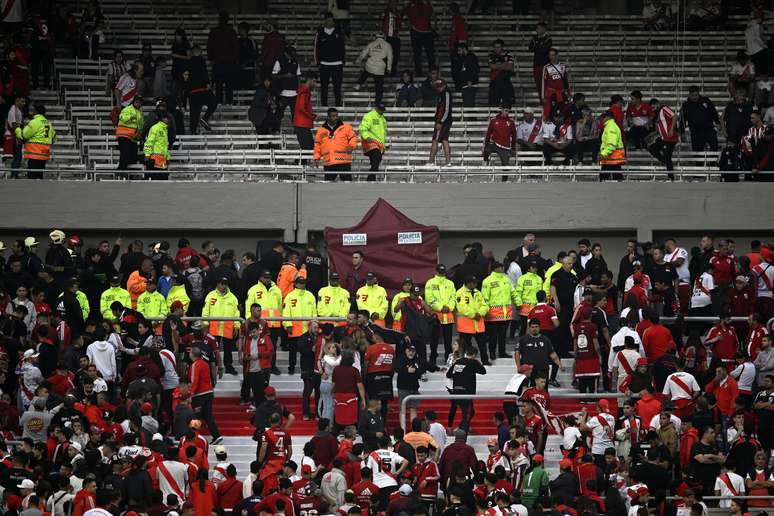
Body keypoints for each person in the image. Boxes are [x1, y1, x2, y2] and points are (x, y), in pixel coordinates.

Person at [447, 346, 486, 432]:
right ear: (474, 355)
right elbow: (483, 371)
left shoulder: (458, 361)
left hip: (455, 391)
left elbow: (448, 375)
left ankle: (451, 427)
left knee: (456, 409)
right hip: (466, 392)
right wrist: (478, 362)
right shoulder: (473, 362)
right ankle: (462, 435)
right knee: (467, 415)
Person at [314, 108, 359, 181]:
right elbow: (317, 145)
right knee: (329, 186)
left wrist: (351, 146)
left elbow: (353, 138)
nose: (336, 118)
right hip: (329, 162)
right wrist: (316, 158)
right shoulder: (321, 130)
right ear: (328, 117)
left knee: (347, 185)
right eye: (333, 116)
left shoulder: (346, 127)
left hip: (344, 161)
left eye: (336, 116)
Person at [14, 102, 56, 178]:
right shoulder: (49, 123)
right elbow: (53, 139)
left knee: (32, 177)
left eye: (33, 110)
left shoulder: (34, 122)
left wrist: (17, 129)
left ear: (36, 112)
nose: (31, 112)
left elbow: (23, 135)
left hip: (34, 154)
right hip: (44, 155)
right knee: (39, 177)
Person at [314, 12, 346, 107]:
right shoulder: (319, 32)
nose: (330, 22)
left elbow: (342, 47)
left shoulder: (339, 31)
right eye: (328, 20)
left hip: (337, 64)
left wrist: (343, 60)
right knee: (324, 87)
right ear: (325, 21)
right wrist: (318, 62)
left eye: (331, 20)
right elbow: (316, 47)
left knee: (337, 87)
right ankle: (324, 105)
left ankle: (338, 105)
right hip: (324, 64)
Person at [207, 12, 239, 105]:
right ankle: (229, 101)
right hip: (229, 62)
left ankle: (219, 101)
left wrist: (211, 58)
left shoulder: (214, 32)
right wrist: (235, 59)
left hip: (218, 62)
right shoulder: (231, 32)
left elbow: (210, 47)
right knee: (229, 84)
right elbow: (236, 47)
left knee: (219, 84)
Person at [355, 32, 393, 105]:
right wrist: (389, 68)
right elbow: (390, 58)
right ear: (384, 38)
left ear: (376, 37)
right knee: (379, 87)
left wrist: (358, 60)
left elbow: (363, 53)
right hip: (380, 68)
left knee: (365, 72)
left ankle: (358, 85)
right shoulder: (388, 45)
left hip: (370, 65)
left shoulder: (371, 44)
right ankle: (377, 103)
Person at [680, 85, 721, 151]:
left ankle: (713, 161)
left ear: (698, 93)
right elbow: (682, 120)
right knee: (697, 151)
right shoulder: (686, 105)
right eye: (693, 95)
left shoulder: (706, 100)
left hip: (709, 129)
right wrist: (682, 132)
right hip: (695, 132)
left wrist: (717, 122)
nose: (695, 97)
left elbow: (713, 112)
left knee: (714, 147)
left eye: (696, 95)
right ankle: (698, 161)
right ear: (689, 94)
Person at [648, 98, 679, 179]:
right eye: (651, 107)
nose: (652, 108)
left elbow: (675, 116)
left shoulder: (664, 108)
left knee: (667, 156)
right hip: (663, 138)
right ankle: (666, 162)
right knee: (652, 148)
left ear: (657, 104)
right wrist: (651, 136)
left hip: (670, 138)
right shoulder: (656, 114)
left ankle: (671, 177)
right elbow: (659, 129)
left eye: (653, 106)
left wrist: (672, 129)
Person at [272, 47, 302, 126]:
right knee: (279, 113)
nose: (291, 57)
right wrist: (285, 76)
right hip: (282, 93)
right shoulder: (279, 61)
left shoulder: (295, 61)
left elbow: (298, 76)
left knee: (295, 114)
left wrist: (299, 88)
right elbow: (273, 76)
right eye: (290, 55)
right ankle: (276, 129)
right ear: (285, 53)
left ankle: (296, 130)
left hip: (294, 93)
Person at [405, 0, 435, 76]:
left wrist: (434, 26)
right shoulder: (411, 4)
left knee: (430, 53)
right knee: (417, 54)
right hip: (415, 32)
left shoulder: (427, 3)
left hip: (427, 32)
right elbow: (405, 15)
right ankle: (418, 73)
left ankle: (432, 72)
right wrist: (409, 26)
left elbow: (433, 14)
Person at [359, 103, 388, 181]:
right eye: (380, 109)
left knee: (375, 162)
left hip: (379, 144)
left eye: (383, 110)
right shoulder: (369, 116)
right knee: (377, 158)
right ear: (376, 108)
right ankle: (370, 178)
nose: (382, 111)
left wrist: (384, 145)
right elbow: (363, 128)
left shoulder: (383, 119)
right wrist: (366, 137)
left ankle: (371, 179)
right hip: (370, 142)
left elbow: (383, 134)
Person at [428, 79, 453, 166]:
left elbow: (446, 109)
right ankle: (448, 162)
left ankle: (431, 162)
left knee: (435, 140)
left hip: (443, 121)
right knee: (444, 140)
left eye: (439, 86)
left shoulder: (445, 93)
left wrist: (440, 122)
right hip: (444, 121)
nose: (438, 88)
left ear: (443, 85)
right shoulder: (443, 93)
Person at [541, 48, 570, 120]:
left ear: (557, 56)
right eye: (550, 55)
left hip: (562, 93)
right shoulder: (546, 67)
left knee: (563, 112)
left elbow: (566, 81)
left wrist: (569, 93)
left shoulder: (563, 67)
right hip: (551, 94)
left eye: (553, 55)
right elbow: (543, 82)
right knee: (549, 113)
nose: (551, 57)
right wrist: (543, 96)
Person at [293, 72, 318, 155]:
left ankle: (301, 165)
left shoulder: (303, 91)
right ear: (309, 80)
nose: (315, 84)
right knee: (308, 147)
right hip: (302, 124)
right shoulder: (304, 91)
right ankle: (301, 165)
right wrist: (312, 116)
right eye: (314, 81)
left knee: (306, 147)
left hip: (301, 124)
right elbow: (301, 108)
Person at [599, 110, 625, 181]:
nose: (602, 119)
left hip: (613, 157)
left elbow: (611, 144)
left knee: (606, 177)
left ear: (608, 117)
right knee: (615, 176)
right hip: (611, 158)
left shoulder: (611, 127)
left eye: (603, 117)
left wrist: (603, 154)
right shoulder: (609, 126)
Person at [143, 114, 171, 180]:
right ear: (162, 119)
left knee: (163, 179)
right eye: (166, 118)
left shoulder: (164, 129)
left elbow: (164, 146)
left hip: (162, 159)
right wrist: (147, 154)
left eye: (168, 118)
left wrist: (168, 157)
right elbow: (149, 142)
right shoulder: (155, 128)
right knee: (155, 178)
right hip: (154, 159)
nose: (168, 120)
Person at [529, 23, 552, 100]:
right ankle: (541, 101)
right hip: (536, 64)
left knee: (545, 84)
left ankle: (546, 101)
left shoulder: (548, 39)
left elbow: (545, 50)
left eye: (538, 28)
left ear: (544, 29)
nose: (537, 30)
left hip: (545, 65)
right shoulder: (534, 38)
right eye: (536, 28)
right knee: (538, 84)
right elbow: (530, 48)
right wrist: (539, 47)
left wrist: (537, 47)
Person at [488, 39, 514, 107]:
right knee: (494, 104)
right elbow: (492, 66)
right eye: (495, 47)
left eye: (498, 47)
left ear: (502, 47)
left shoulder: (508, 55)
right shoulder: (491, 55)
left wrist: (498, 66)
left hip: (505, 82)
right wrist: (505, 64)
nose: (496, 49)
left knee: (507, 104)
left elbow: (510, 67)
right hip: (495, 82)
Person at [382, 0, 401, 76]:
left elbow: (399, 24)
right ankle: (386, 71)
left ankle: (393, 71)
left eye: (395, 2)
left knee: (396, 55)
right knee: (387, 55)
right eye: (392, 2)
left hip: (395, 37)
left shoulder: (397, 12)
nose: (394, 3)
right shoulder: (386, 12)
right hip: (387, 37)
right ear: (389, 3)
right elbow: (380, 22)